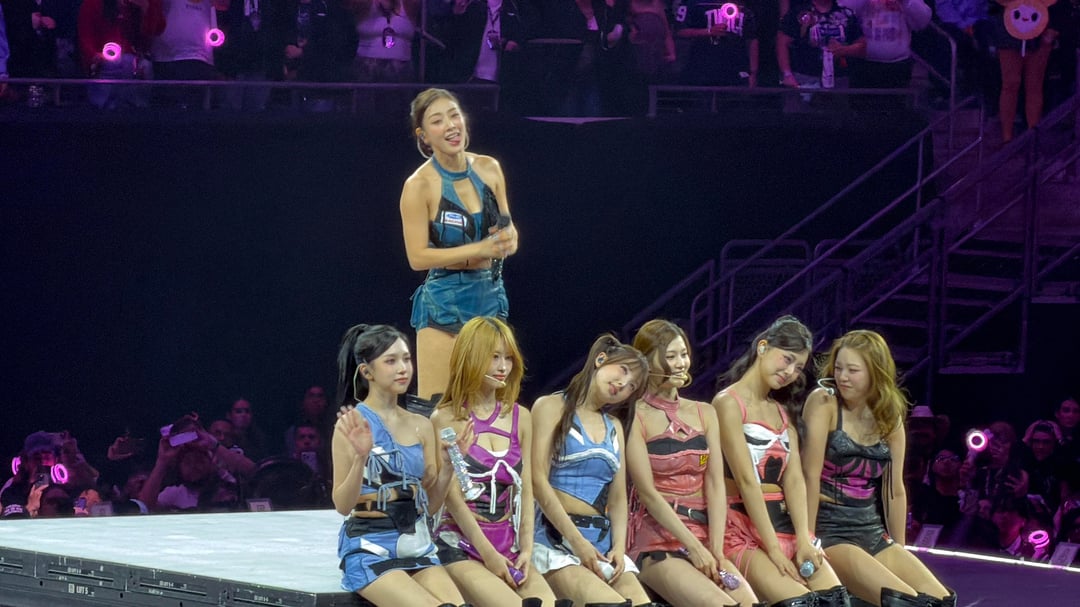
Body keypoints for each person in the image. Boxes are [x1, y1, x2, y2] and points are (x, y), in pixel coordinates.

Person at [802, 330, 953, 607]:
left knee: (941, 601)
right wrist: (808, 539)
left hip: (870, 530)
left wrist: (899, 547)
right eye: (838, 368)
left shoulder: (889, 414)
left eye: (852, 370)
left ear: (875, 373)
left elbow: (894, 491)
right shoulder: (824, 401)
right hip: (831, 531)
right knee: (904, 603)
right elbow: (808, 477)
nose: (842, 377)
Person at [713, 315, 849, 607]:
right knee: (801, 604)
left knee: (837, 601)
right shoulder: (727, 403)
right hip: (741, 526)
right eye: (787, 359)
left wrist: (804, 537)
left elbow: (795, 479)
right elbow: (746, 481)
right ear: (763, 347)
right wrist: (774, 550)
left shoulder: (782, 410)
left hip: (785, 522)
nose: (790, 372)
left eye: (798, 367)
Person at [331, 323, 466, 607]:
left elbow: (429, 507)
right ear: (367, 372)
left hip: (417, 546)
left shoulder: (421, 425)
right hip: (370, 548)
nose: (403, 368)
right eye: (391, 361)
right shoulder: (352, 425)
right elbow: (343, 505)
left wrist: (447, 467)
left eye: (406, 359)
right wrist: (360, 458)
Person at [626, 319, 758, 607]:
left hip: (705, 536)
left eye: (683, 354)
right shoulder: (635, 415)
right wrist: (694, 547)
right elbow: (647, 493)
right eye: (670, 356)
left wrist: (716, 548)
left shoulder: (704, 412)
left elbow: (715, 483)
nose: (680, 363)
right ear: (646, 361)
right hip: (657, 539)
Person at [430, 316, 559, 607]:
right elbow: (452, 499)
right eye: (494, 357)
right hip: (460, 544)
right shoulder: (445, 418)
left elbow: (527, 491)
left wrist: (527, 548)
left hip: (509, 543)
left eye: (508, 358)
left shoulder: (521, 417)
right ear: (471, 357)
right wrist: (488, 554)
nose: (503, 367)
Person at [400, 87, 518, 403]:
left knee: (490, 407)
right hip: (444, 307)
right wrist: (480, 250)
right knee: (439, 408)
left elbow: (506, 226)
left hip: (490, 300)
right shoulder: (418, 186)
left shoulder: (490, 168)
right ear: (424, 136)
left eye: (454, 115)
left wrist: (510, 238)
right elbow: (417, 257)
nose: (451, 125)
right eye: (438, 121)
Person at [531, 334, 658, 607]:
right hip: (555, 540)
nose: (623, 384)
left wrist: (619, 548)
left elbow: (618, 498)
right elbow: (537, 480)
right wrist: (577, 542)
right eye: (623, 370)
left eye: (632, 386)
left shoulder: (615, 426)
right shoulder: (550, 407)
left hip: (603, 543)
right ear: (601, 359)